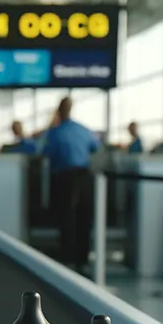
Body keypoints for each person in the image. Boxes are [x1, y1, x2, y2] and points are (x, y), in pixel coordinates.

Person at [44, 97, 99, 272]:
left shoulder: (56, 132)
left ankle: (67, 256)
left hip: (65, 177)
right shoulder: (83, 129)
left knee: (66, 216)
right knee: (84, 217)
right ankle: (82, 258)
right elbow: (94, 147)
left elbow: (47, 153)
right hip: (84, 176)